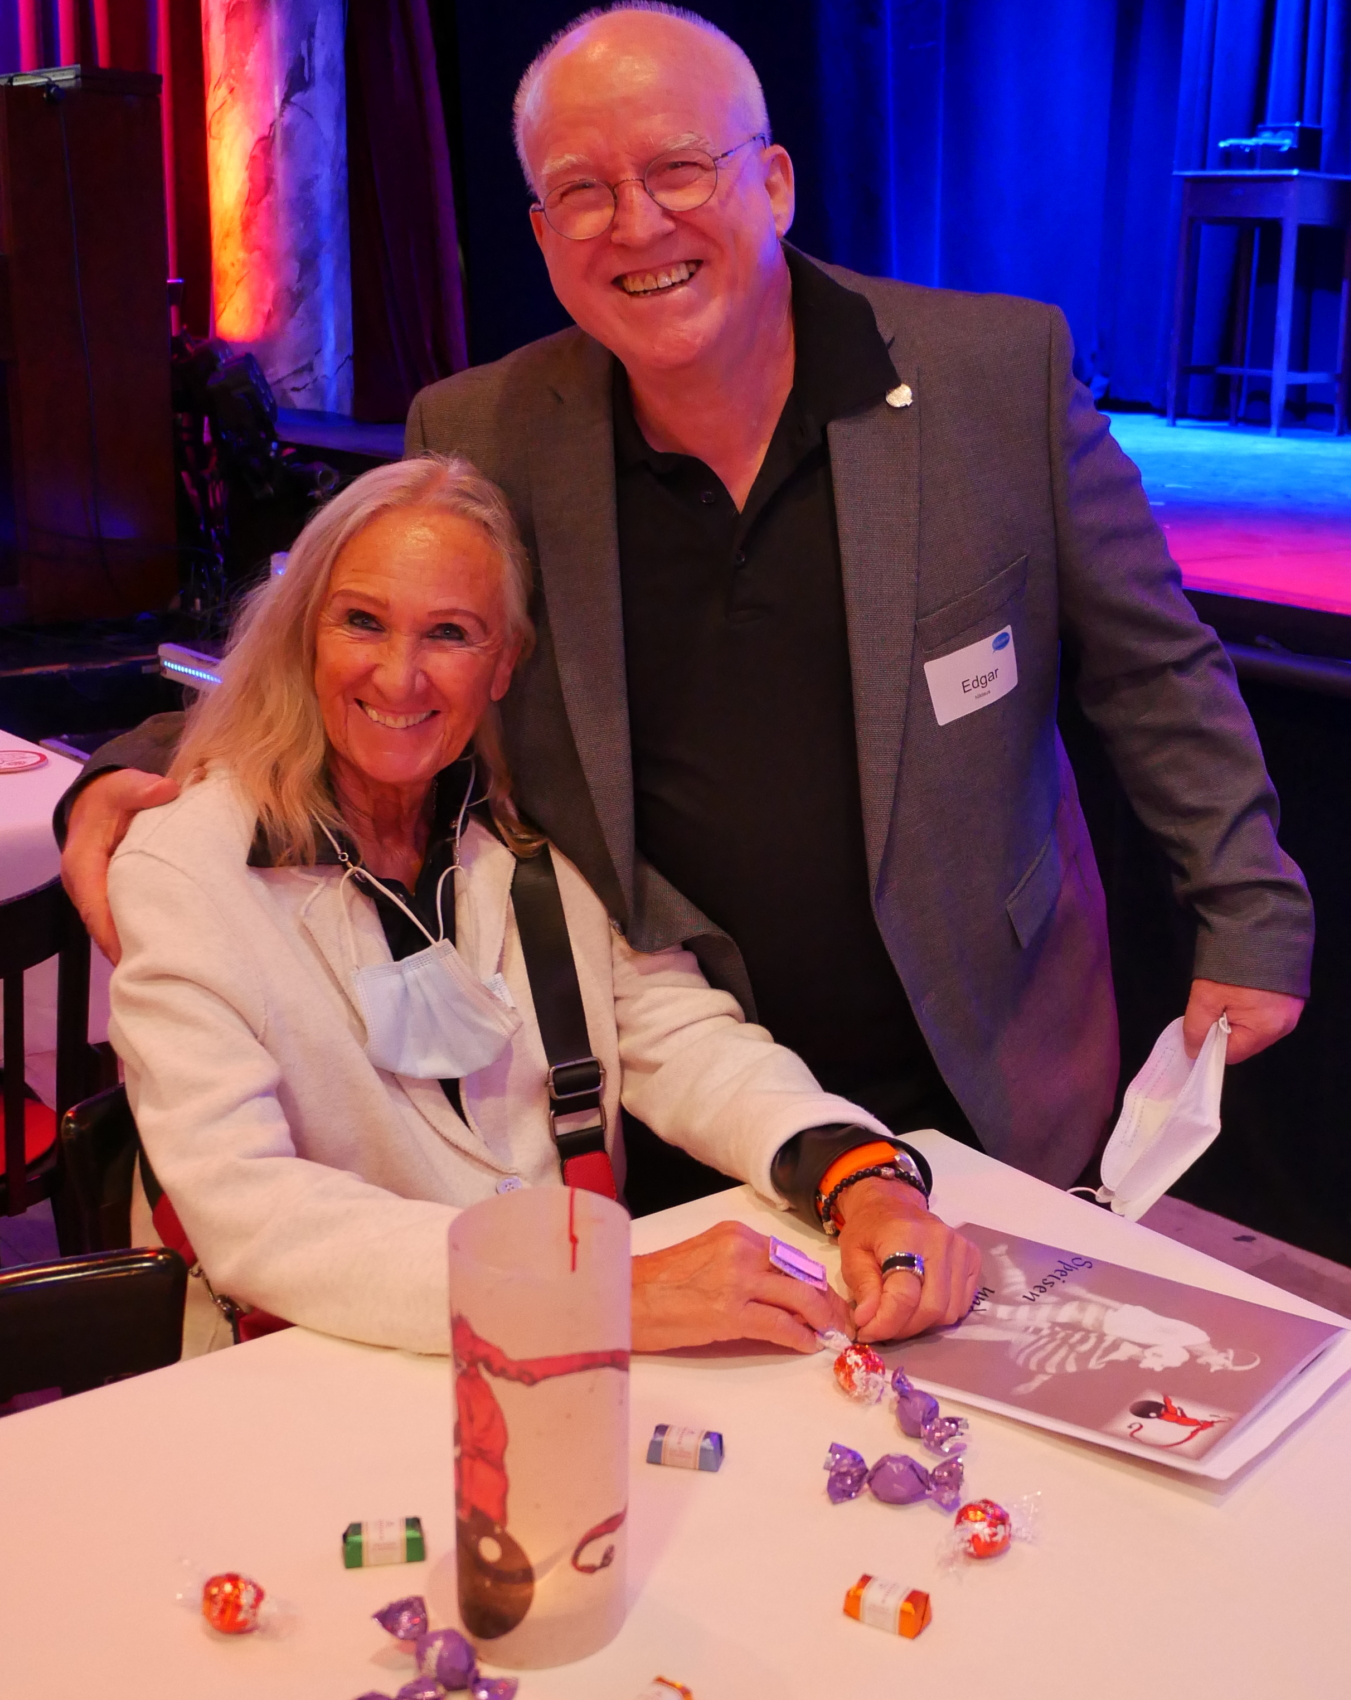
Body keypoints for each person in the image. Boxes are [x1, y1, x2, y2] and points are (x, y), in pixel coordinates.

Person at [66, 0, 1312, 1194]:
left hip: (984, 1058)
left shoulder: (993, 377)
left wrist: (1247, 908)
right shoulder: (484, 431)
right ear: (542, 235)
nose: (637, 224)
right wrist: (131, 766)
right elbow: (362, 662)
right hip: (674, 1082)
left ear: (773, 183)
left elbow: (1153, 667)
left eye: (678, 169)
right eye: (582, 191)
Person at [105, 455, 978, 1357]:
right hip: (309, 1369)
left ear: (505, 664)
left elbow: (682, 1039)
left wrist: (860, 1176)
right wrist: (599, 1291)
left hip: (560, 1374)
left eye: (450, 633)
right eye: (362, 621)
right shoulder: (187, 869)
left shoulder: (529, 836)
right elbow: (250, 1208)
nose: (399, 677)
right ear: (304, 635)